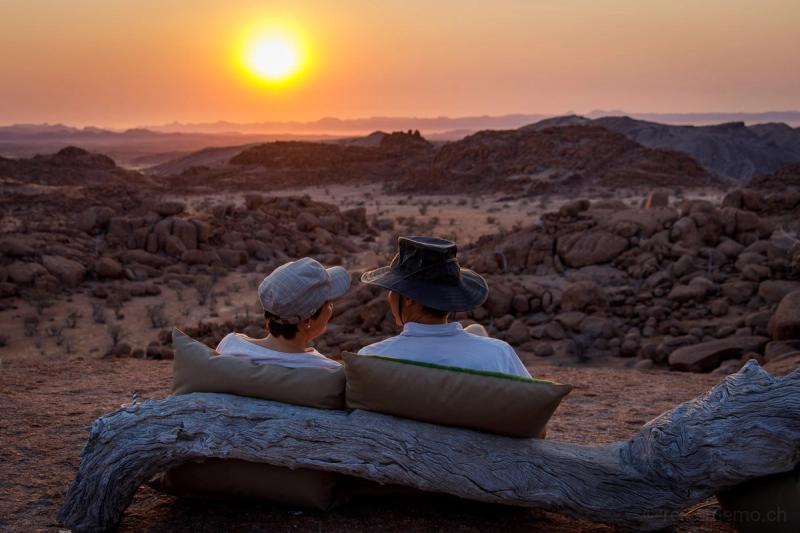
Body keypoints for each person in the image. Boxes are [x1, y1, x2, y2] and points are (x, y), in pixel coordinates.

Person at [357, 236, 532, 377]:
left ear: (409, 298)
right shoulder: (499, 355)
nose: (389, 297)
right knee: (476, 330)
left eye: (392, 289)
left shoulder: (372, 358)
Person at [216, 257, 349, 368]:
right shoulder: (327, 370)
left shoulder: (230, 345)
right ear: (307, 320)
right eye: (329, 304)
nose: (331, 309)